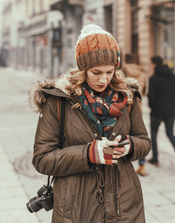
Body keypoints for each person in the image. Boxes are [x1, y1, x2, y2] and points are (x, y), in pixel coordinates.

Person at [30, 24, 151, 223]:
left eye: (110, 72)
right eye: (96, 72)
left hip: (125, 206)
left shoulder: (127, 98)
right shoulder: (59, 101)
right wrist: (88, 153)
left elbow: (144, 142)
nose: (104, 79)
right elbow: (42, 158)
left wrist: (130, 146)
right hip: (77, 209)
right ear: (82, 68)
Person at [148, 55, 175, 169]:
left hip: (156, 111)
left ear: (154, 64)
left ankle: (155, 159)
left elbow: (151, 96)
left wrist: (152, 106)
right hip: (170, 111)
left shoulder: (153, 78)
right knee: (170, 133)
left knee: (154, 134)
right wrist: (173, 103)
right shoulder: (173, 76)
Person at [122, 53, 147, 177]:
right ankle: (142, 165)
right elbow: (144, 91)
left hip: (123, 107)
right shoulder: (141, 73)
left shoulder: (122, 72)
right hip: (138, 107)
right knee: (139, 136)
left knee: (122, 137)